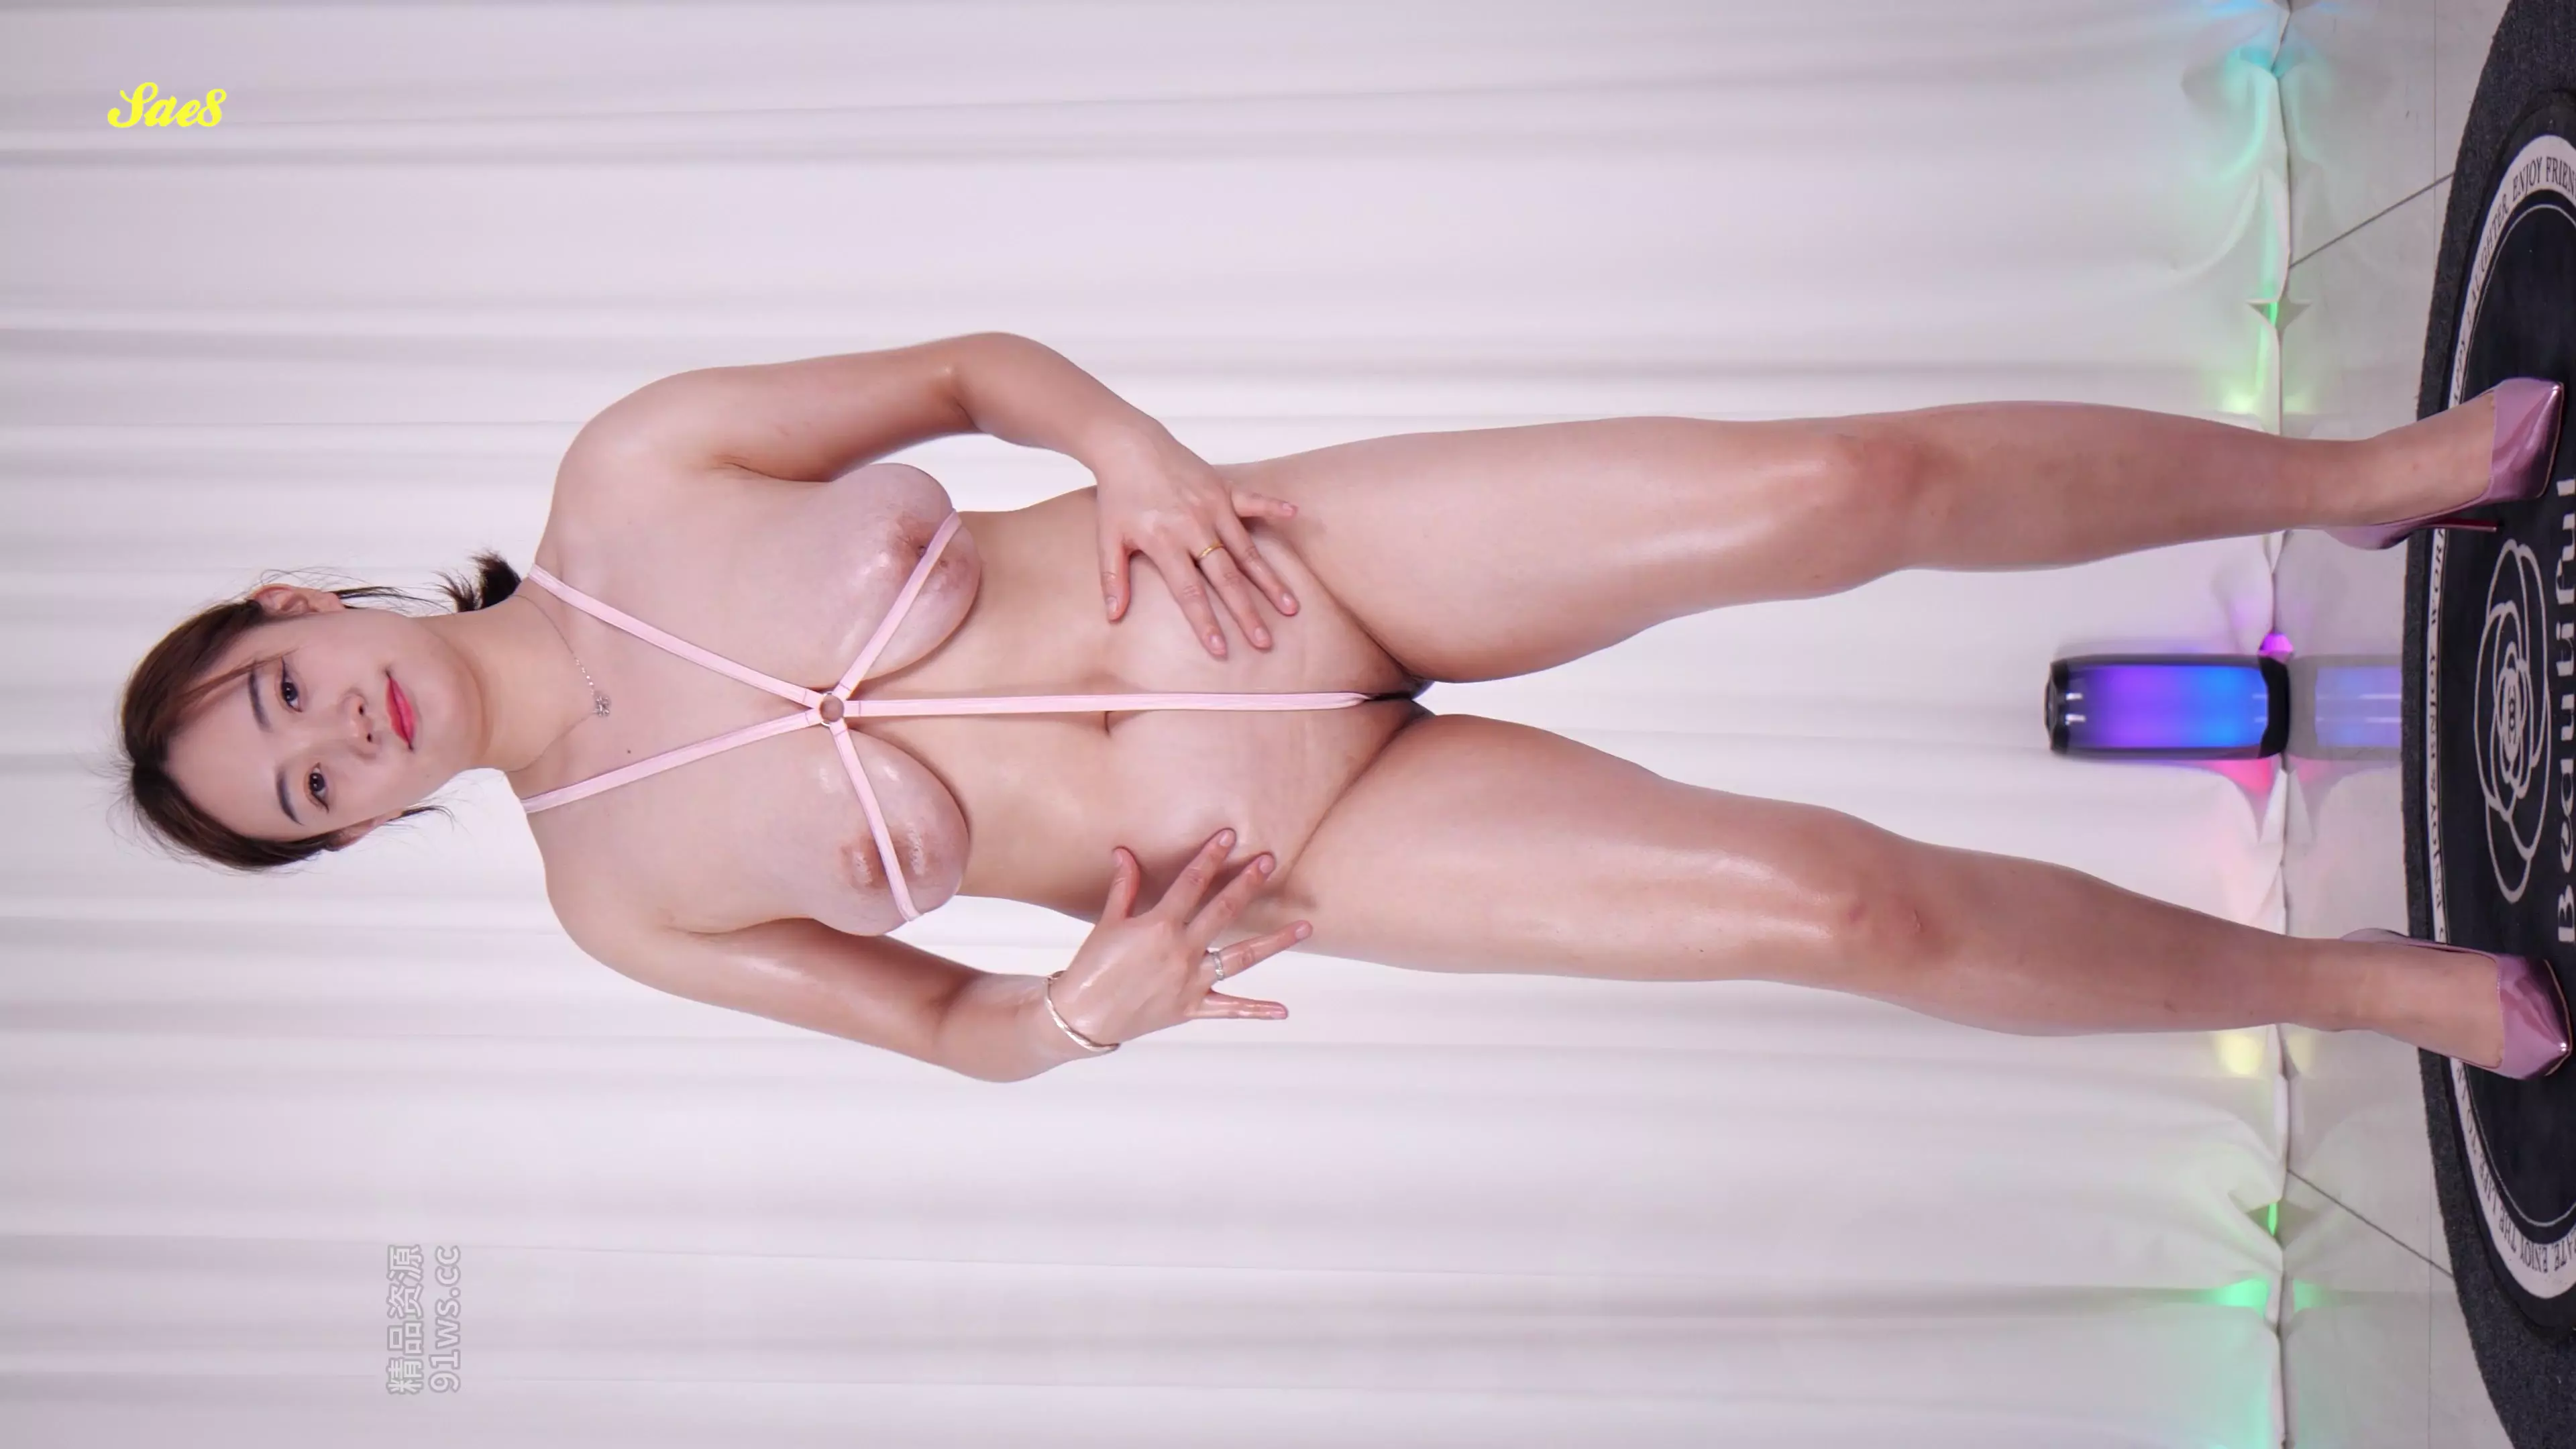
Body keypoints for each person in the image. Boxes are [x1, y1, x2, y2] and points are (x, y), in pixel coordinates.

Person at [116, 333, 2573, 1081]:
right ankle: (2350, 990)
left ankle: (2360, 482)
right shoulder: (616, 905)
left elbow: (972, 369)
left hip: (1285, 564)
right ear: (348, 836)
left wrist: (1134, 453)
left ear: (291, 601)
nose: (348, 733)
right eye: (309, 787)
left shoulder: (629, 468)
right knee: (1829, 913)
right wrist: (1081, 1013)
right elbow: (959, 1037)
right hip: (1296, 844)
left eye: (289, 688)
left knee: (1841, 481)